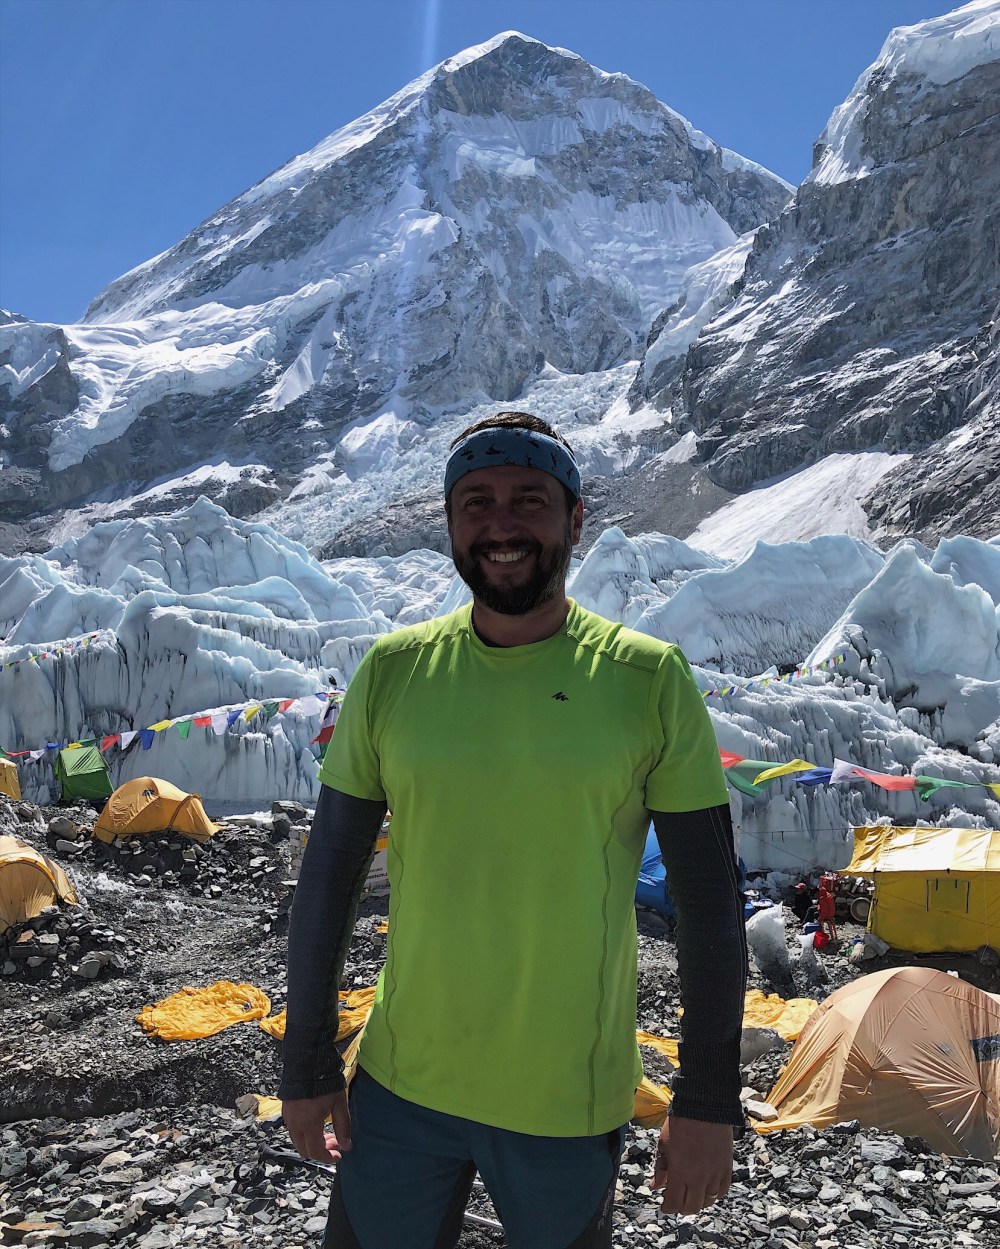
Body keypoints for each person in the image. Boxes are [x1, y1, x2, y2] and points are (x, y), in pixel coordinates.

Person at [280, 412, 749, 1248]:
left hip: (565, 1100)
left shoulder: (647, 680)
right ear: (450, 523)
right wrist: (307, 1061)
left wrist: (708, 1099)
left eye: (529, 499)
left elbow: (709, 901)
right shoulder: (392, 673)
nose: (501, 525)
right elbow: (331, 875)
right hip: (401, 1082)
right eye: (477, 502)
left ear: (576, 519)